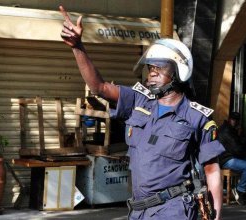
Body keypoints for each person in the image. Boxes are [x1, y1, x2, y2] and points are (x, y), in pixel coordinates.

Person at [59, 6, 225, 220]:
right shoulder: (139, 101)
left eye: (160, 68)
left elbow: (212, 171)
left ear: (179, 72)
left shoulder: (197, 117)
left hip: (174, 210)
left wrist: (216, 216)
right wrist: (77, 46)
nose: (152, 74)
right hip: (139, 210)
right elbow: (99, 87)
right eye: (151, 68)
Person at [217, 112, 246, 206]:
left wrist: (239, 134)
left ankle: (241, 188)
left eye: (237, 120)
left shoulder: (232, 130)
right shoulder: (226, 131)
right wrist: (241, 137)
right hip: (226, 159)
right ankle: (240, 191)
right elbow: (237, 149)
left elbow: (239, 149)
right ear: (229, 119)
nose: (235, 122)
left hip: (234, 157)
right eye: (233, 119)